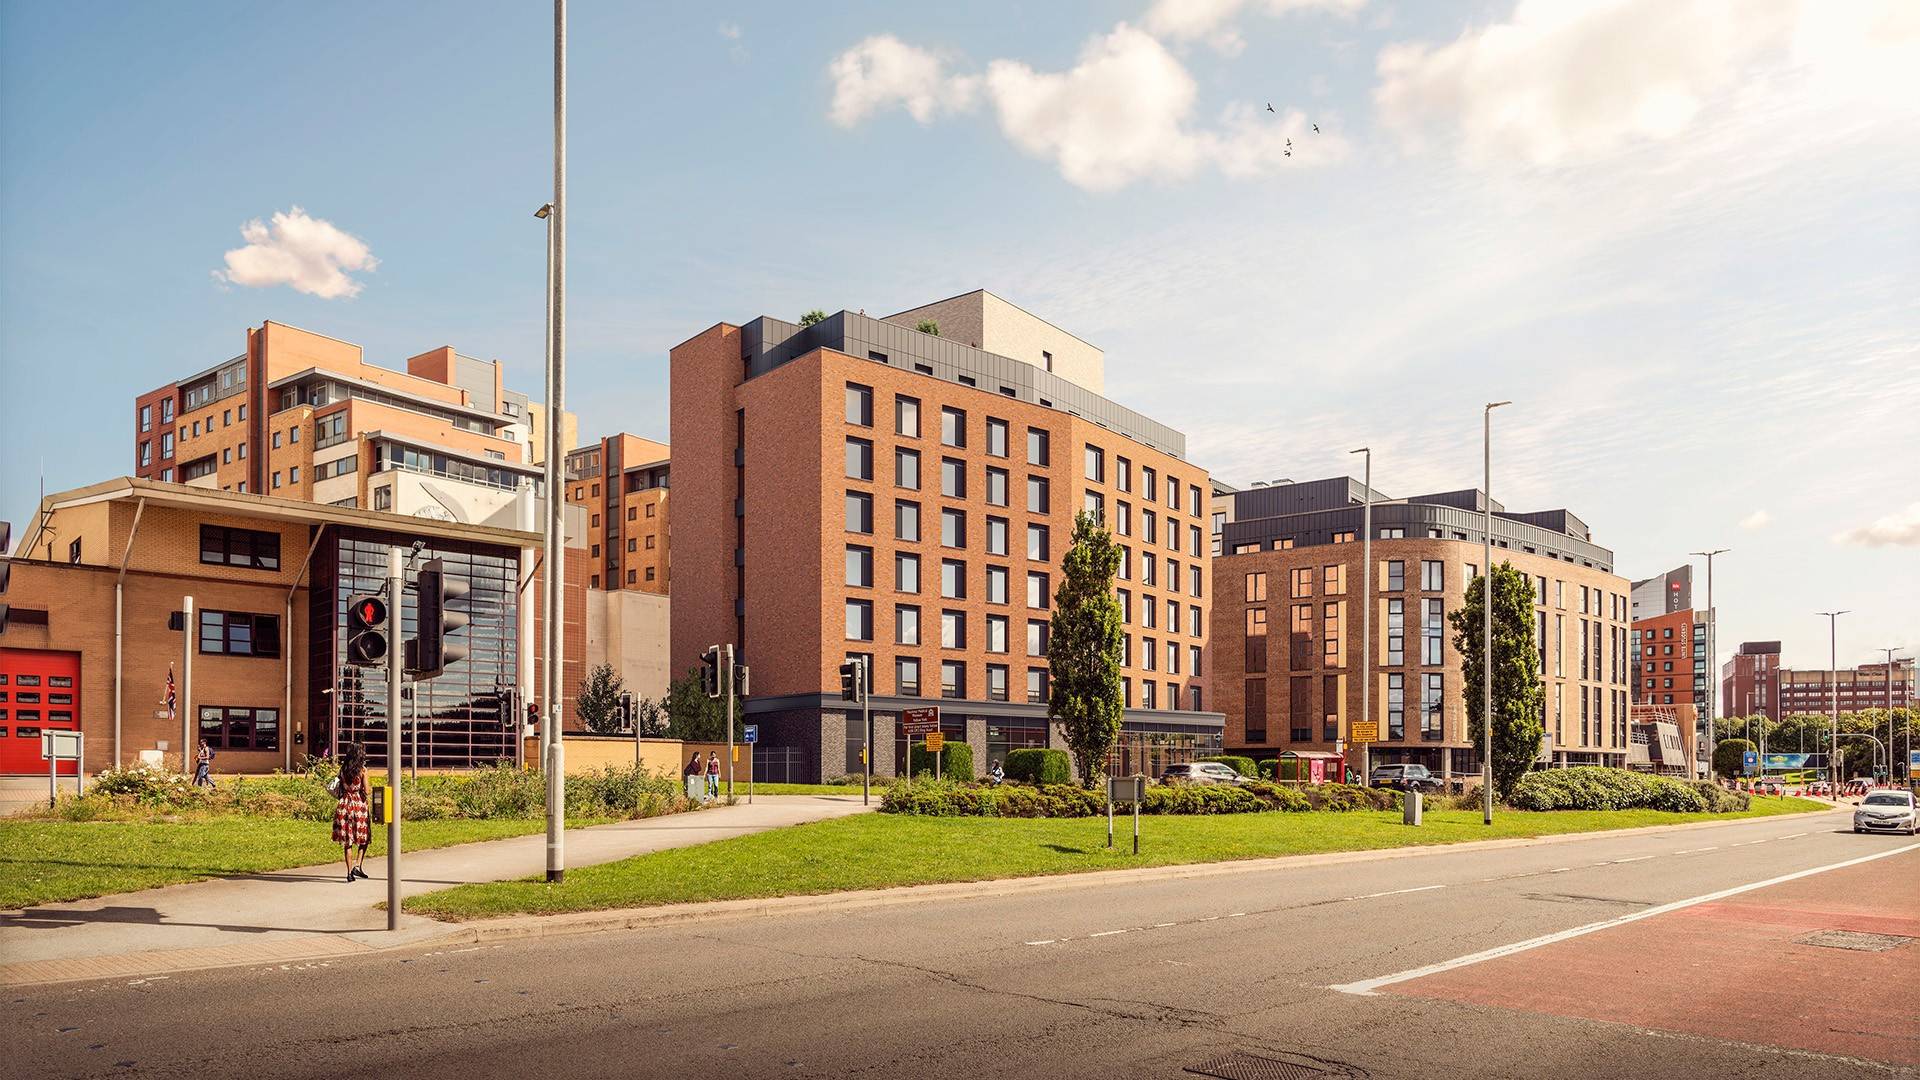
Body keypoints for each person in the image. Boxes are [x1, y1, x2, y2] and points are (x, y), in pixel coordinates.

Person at [332, 743, 372, 883]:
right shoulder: (362, 770)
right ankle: (358, 865)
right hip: (358, 805)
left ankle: (349, 873)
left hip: (344, 804)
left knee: (347, 840)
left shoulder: (343, 769)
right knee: (364, 836)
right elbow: (366, 791)